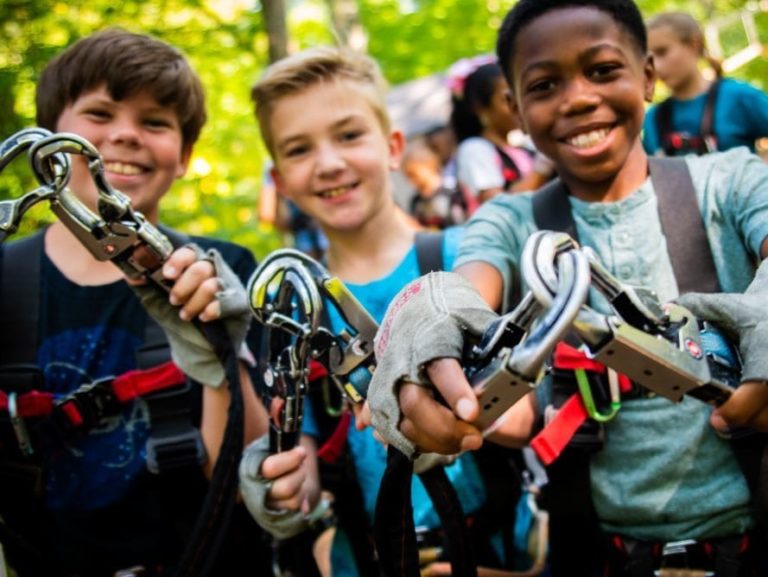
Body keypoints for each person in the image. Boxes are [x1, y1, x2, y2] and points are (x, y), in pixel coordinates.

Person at [365, 1, 768, 575]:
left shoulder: (730, 181)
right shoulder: (509, 223)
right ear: (516, 110)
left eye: (602, 70)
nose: (578, 98)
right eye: (545, 84)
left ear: (648, 76)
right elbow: (466, 288)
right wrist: (430, 318)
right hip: (594, 555)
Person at [238, 46, 533, 577]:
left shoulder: (468, 258)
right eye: (299, 149)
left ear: (394, 147)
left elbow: (522, 417)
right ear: (279, 181)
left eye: (349, 135)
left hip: (492, 553)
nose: (329, 163)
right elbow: (304, 466)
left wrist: (464, 405)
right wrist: (282, 485)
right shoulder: (293, 308)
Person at [0, 28, 271, 576]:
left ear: (185, 155)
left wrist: (219, 353)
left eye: (155, 122)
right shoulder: (5, 278)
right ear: (48, 139)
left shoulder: (222, 273)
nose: (125, 135)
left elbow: (252, 482)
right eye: (99, 114)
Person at [642, 11, 768, 157]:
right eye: (650, 59)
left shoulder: (739, 98)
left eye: (662, 52)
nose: (656, 66)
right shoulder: (653, 120)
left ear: (694, 44)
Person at [448, 57, 548, 211]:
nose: (517, 106)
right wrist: (542, 168)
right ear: (480, 108)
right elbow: (500, 209)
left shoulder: (522, 147)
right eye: (506, 99)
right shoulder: (475, 150)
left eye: (518, 95)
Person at [402, 139, 466, 229]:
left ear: (428, 164)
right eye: (407, 176)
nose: (410, 180)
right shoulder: (416, 201)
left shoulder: (452, 190)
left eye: (413, 174)